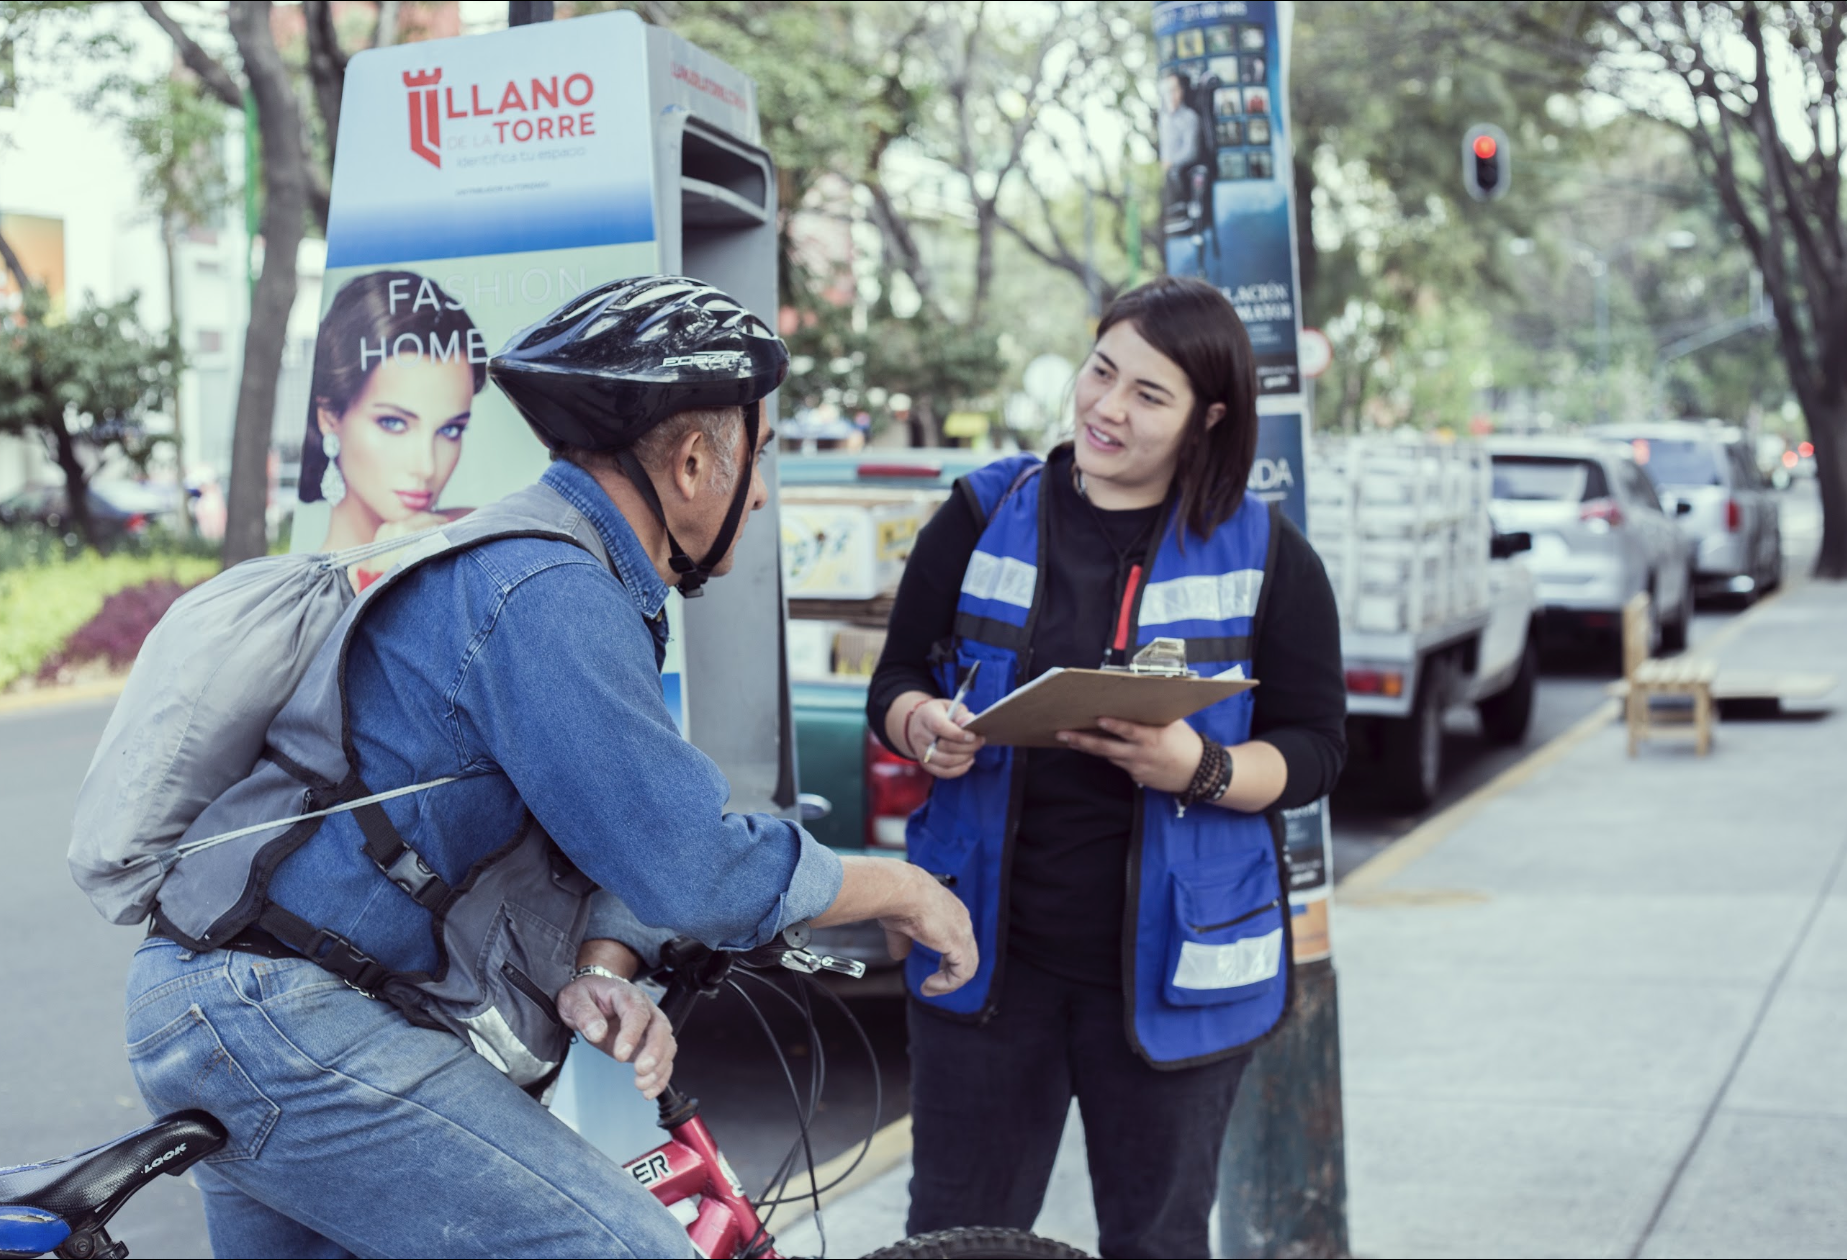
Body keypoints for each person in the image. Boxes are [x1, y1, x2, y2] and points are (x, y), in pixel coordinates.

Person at [124, 276, 976, 1259]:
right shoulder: (546, 590)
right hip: (284, 1025)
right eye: (763, 456)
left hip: (244, 1011)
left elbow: (613, 830)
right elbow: (691, 865)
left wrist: (596, 968)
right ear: (693, 463)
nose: (759, 492)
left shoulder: (543, 569)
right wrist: (903, 888)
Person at [869, 276, 1346, 1259]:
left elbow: (1315, 749)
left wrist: (1197, 767)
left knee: (1156, 1238)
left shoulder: (1266, 554)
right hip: (985, 956)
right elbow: (897, 679)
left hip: (1176, 974)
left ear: (1208, 417)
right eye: (1100, 372)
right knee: (955, 1238)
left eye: (1147, 394)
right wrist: (923, 725)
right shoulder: (981, 513)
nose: (1106, 407)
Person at [301, 270, 482, 585]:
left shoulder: (484, 538)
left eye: (450, 430)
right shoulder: (294, 600)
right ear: (329, 416)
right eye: (394, 423)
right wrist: (378, 578)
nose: (427, 467)